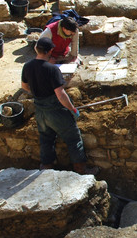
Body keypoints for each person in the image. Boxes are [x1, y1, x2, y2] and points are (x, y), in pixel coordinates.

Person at [21, 37, 98, 175]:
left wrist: (38, 92)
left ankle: (46, 167)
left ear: (36, 49)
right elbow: (61, 95)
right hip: (55, 111)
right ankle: (81, 168)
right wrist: (72, 109)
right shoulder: (52, 70)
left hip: (40, 110)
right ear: (50, 51)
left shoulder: (27, 66)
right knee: (73, 137)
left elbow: (24, 86)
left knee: (46, 138)